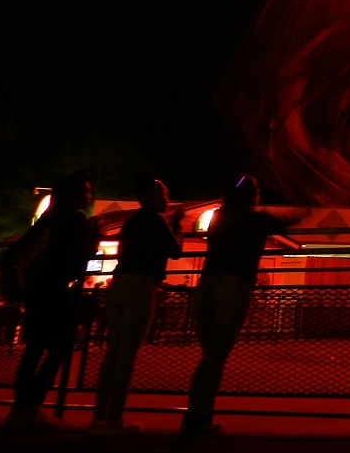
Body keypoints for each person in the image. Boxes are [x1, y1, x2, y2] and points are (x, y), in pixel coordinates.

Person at [181, 175, 303, 436]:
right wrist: (307, 207)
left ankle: (193, 413)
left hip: (207, 285)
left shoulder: (218, 217)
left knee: (208, 355)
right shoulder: (254, 218)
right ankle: (198, 417)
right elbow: (285, 221)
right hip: (235, 285)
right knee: (216, 356)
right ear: (252, 195)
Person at [88, 170, 184, 436]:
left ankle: (98, 418)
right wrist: (177, 226)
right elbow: (176, 251)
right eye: (164, 194)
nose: (167, 198)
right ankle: (115, 419)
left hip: (118, 283)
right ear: (154, 198)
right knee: (127, 356)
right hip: (142, 285)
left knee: (112, 353)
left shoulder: (132, 222)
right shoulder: (157, 219)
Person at [5, 171, 99, 432]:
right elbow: (76, 263)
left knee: (34, 349)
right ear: (78, 196)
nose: (89, 197)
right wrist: (93, 239)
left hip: (33, 290)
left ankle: (20, 409)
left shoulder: (47, 219)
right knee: (61, 344)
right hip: (55, 290)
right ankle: (31, 407)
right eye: (87, 192)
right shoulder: (75, 221)